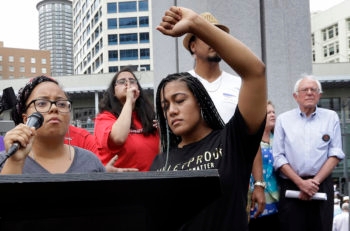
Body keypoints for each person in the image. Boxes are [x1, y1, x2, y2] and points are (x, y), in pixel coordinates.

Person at [150, 6, 266, 231]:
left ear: (201, 101)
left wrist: (195, 23)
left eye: (180, 100)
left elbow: (255, 71)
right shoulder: (160, 162)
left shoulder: (232, 142)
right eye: (165, 106)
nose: (172, 110)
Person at [183, 11, 266, 217]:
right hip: (193, 183)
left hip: (235, 183)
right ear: (193, 46)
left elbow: (251, 137)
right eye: (207, 36)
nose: (214, 41)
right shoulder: (180, 86)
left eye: (217, 36)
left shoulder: (240, 84)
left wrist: (259, 183)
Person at [273, 75, 345, 231]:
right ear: (296, 96)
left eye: (314, 90)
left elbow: (335, 153)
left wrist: (314, 183)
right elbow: (278, 157)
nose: (310, 93)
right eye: (305, 90)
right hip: (292, 185)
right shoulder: (283, 120)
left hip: (321, 185)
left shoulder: (331, 117)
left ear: (319, 95)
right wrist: (300, 183)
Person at [0, 75, 106, 174]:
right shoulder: (4, 160)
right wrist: (15, 162)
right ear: (25, 119)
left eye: (61, 104)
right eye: (42, 103)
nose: (54, 108)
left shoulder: (91, 161)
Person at [94, 67, 160, 172]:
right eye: (122, 81)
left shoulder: (149, 117)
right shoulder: (104, 118)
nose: (128, 83)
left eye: (132, 81)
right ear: (113, 92)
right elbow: (118, 138)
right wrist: (129, 100)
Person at [248, 100, 280, 230]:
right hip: (254, 198)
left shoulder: (279, 139)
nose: (272, 115)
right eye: (268, 113)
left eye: (273, 112)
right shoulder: (249, 140)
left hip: (277, 200)